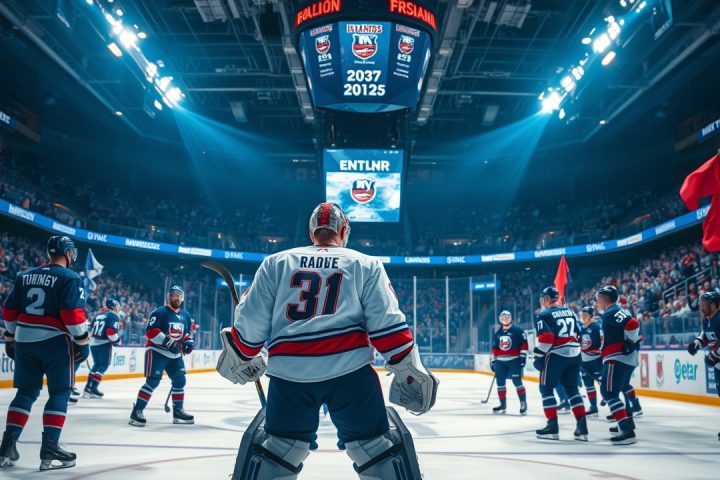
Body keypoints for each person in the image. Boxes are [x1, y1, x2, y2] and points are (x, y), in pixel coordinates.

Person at [216, 202, 438, 479]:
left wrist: (244, 354)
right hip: (351, 375)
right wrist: (408, 369)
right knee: (377, 450)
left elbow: (249, 326)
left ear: (312, 233)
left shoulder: (276, 262)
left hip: (289, 378)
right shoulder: (364, 263)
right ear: (344, 231)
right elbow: (387, 326)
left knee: (278, 452)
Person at [0, 235, 89, 470]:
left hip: (24, 340)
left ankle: (7, 446)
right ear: (68, 253)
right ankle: (50, 447)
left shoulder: (25, 275)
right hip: (55, 341)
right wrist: (82, 342)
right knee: (60, 391)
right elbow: (72, 315)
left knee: (26, 392)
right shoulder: (70, 277)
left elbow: (8, 310)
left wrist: (10, 337)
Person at [128, 285, 195, 426]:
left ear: (182, 298)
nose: (176, 297)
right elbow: (151, 332)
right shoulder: (159, 312)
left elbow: (185, 334)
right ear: (168, 297)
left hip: (175, 355)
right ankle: (137, 411)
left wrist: (188, 342)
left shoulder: (186, 316)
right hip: (157, 352)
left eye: (179, 295)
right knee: (153, 381)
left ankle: (178, 411)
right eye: (173, 295)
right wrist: (168, 343)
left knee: (180, 381)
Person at [533, 286, 588, 442]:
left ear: (545, 299)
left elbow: (546, 339)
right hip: (575, 354)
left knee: (546, 389)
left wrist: (538, 356)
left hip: (556, 355)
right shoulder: (570, 312)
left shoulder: (544, 314)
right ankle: (582, 429)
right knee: (572, 390)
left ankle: (552, 428)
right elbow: (580, 333)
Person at [596, 285, 639, 445]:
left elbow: (633, 324)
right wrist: (630, 342)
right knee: (620, 390)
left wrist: (629, 341)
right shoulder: (619, 310)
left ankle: (627, 431)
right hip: (625, 358)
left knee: (608, 393)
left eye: (598, 299)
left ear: (604, 298)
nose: (597, 302)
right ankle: (627, 424)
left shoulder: (610, 313)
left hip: (616, 357)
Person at [687, 290, 720, 440]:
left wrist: (714, 355)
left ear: (713, 305)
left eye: (704, 304)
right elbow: (705, 336)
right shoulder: (707, 320)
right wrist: (697, 342)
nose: (701, 306)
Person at [490, 310, 528, 415]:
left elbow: (524, 344)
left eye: (507, 317)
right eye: (503, 318)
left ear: (511, 318)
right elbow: (495, 349)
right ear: (500, 319)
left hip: (514, 360)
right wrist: (493, 361)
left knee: (517, 381)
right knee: (500, 383)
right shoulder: (498, 333)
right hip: (500, 362)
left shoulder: (518, 331)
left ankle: (523, 404)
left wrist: (523, 356)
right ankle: (502, 404)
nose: (505, 319)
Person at [83, 298, 122, 398]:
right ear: (113, 306)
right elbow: (111, 332)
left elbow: (90, 328)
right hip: (104, 343)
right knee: (103, 365)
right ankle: (94, 388)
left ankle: (87, 388)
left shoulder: (99, 314)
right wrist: (117, 340)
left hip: (93, 343)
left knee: (96, 365)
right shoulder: (114, 316)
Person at [579, 306, 603, 417]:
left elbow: (602, 342)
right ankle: (593, 407)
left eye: (586, 315)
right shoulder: (581, 328)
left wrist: (599, 352)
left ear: (591, 316)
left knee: (602, 382)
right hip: (584, 362)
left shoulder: (596, 327)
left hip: (596, 360)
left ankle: (610, 402)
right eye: (582, 315)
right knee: (588, 385)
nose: (583, 317)